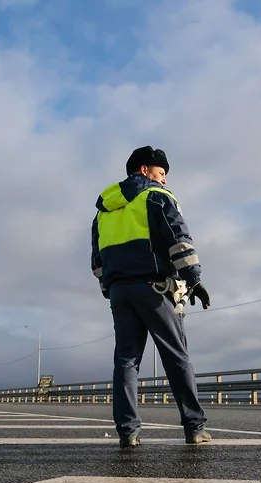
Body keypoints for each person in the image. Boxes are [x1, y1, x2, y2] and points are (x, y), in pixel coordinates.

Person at [91, 146, 211, 447]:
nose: (165, 180)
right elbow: (178, 239)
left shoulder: (104, 210)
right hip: (154, 289)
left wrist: (109, 287)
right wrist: (194, 280)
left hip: (119, 292)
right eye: (161, 173)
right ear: (144, 170)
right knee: (176, 356)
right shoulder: (157, 197)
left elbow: (97, 260)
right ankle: (194, 427)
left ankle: (128, 432)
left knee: (126, 362)